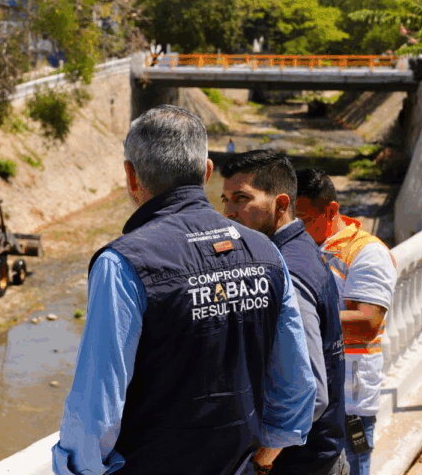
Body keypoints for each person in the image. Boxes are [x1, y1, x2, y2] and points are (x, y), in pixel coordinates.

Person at [52, 105, 317, 475]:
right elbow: (296, 387)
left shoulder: (123, 263)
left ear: (130, 176)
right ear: (207, 171)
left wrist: (72, 467)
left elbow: (96, 413)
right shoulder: (266, 252)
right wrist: (261, 458)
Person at [221, 150, 348, 475]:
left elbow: (313, 396)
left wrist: (263, 460)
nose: (228, 213)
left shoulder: (287, 270)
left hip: (301, 464)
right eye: (225, 200)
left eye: (241, 198)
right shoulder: (302, 248)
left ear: (280, 203)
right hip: (321, 455)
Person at [294, 168, 398, 475]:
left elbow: (369, 321)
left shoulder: (367, 252)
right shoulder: (306, 246)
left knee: (355, 461)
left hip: (352, 393)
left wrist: (302, 317)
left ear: (331, 210)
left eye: (304, 218)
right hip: (314, 385)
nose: (297, 225)